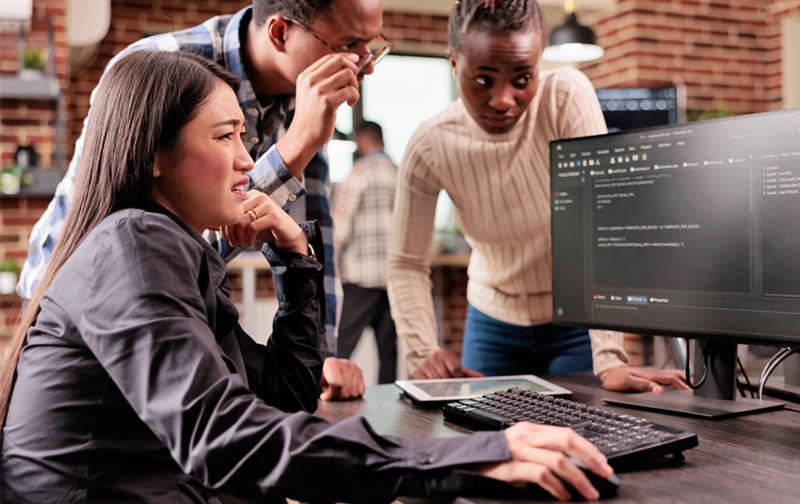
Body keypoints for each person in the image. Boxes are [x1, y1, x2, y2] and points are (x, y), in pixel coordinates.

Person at [0, 50, 615, 504]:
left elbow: (286, 395)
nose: (247, 160)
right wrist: (465, 458)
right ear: (156, 155)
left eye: (244, 136)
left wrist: (295, 257)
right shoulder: (134, 243)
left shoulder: (164, 252)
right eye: (226, 137)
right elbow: (222, 436)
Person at [16, 0, 380, 400]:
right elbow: (115, 247)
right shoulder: (162, 67)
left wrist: (322, 356)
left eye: (373, 46)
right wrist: (293, 150)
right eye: (349, 45)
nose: (365, 66)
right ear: (280, 32)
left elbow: (311, 223)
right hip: (85, 338)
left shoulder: (303, 97)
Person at [387, 0, 689, 393]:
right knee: (483, 427)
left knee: (584, 424)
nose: (503, 100)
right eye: (483, 80)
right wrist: (422, 351)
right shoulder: (430, 145)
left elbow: (598, 227)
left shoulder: (564, 98)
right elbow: (406, 263)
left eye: (522, 78)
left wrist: (610, 359)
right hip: (492, 319)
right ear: (454, 63)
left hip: (574, 321)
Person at [332, 121, 399, 383]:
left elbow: (339, 230)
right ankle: (390, 401)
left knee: (341, 347)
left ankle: (330, 393)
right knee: (388, 351)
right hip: (391, 277)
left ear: (362, 140)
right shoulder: (399, 173)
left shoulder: (359, 173)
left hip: (361, 276)